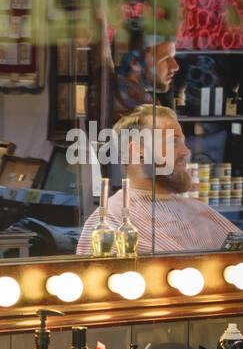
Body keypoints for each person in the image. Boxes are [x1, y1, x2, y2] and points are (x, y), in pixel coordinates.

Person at [76, 105, 236, 255]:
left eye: (183, 141)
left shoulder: (197, 209)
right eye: (173, 141)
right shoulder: (111, 220)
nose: (186, 151)